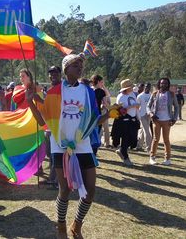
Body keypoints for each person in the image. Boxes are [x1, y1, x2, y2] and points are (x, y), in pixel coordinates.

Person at [26, 54, 109, 239]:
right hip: (60, 146)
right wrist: (30, 102)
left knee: (90, 191)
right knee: (64, 190)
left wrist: (111, 114)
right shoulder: (55, 92)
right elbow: (42, 120)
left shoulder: (87, 91)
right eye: (75, 64)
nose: (79, 67)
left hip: (83, 145)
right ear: (66, 69)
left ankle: (77, 225)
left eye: (81, 65)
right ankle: (61, 226)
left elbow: (94, 120)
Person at [147, 77, 179, 166]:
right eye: (162, 83)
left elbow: (176, 107)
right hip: (156, 120)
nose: (163, 85)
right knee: (156, 139)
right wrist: (151, 114)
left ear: (168, 84)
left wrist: (175, 118)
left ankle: (167, 159)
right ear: (159, 84)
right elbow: (148, 106)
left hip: (167, 120)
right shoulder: (154, 94)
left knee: (166, 140)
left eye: (165, 83)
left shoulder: (171, 94)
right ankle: (152, 157)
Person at [112, 79, 139, 167]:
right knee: (125, 139)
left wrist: (137, 114)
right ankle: (125, 157)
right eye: (130, 87)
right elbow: (121, 110)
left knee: (133, 140)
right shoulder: (121, 96)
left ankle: (122, 151)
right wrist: (132, 106)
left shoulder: (133, 94)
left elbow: (136, 106)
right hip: (124, 120)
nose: (132, 88)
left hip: (133, 119)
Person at [90, 74, 106, 155]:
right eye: (102, 82)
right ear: (98, 81)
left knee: (89, 133)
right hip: (98, 115)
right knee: (97, 133)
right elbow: (105, 104)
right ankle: (94, 153)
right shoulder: (101, 91)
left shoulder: (89, 90)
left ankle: (89, 152)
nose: (102, 84)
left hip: (89, 115)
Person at [136, 82, 152, 152]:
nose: (147, 88)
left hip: (149, 115)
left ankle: (139, 145)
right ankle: (149, 147)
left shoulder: (151, 95)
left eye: (148, 87)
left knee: (143, 130)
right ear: (144, 87)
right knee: (147, 131)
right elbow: (137, 106)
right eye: (146, 86)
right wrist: (138, 115)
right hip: (142, 115)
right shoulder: (140, 96)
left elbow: (153, 105)